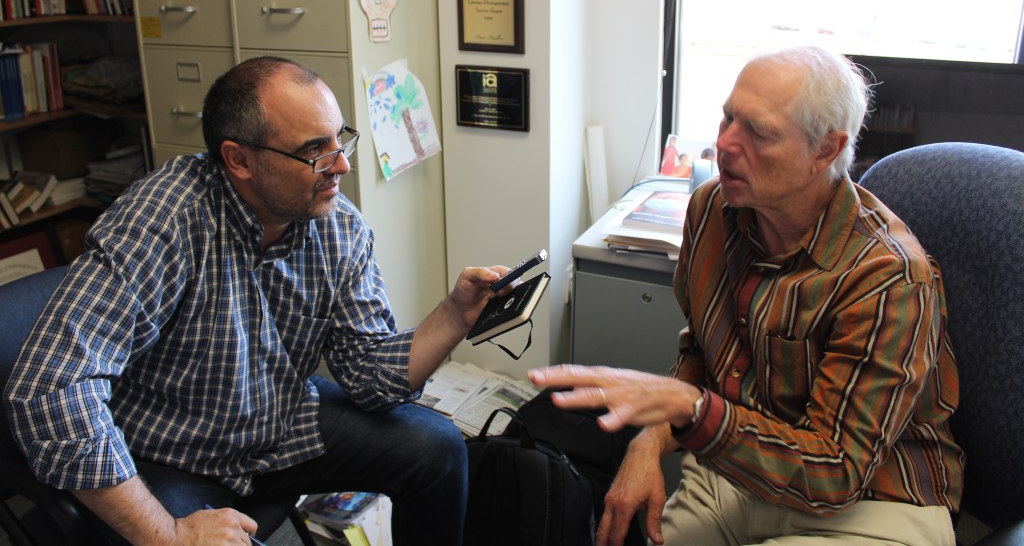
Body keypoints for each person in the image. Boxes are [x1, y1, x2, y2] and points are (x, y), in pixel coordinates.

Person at [5, 57, 511, 546]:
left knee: (436, 448)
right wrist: (168, 536)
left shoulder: (337, 224)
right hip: (166, 453)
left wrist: (455, 314)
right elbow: (49, 387)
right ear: (239, 160)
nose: (342, 164)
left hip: (276, 423)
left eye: (340, 138)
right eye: (315, 150)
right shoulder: (161, 223)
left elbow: (369, 376)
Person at [530, 45, 964, 546]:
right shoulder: (712, 210)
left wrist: (690, 409)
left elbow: (837, 474)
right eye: (727, 117)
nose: (724, 143)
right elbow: (702, 349)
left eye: (758, 132)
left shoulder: (888, 277)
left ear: (826, 150)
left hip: (872, 501)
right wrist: (648, 441)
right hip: (740, 474)